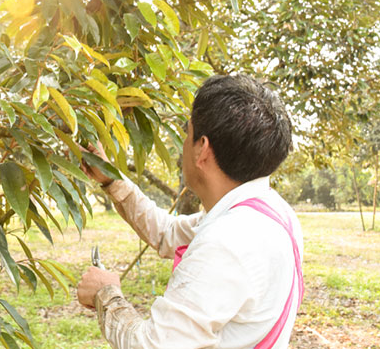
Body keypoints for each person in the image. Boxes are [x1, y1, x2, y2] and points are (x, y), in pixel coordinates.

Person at [77, 74, 303, 348]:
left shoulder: (227, 243)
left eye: (188, 133)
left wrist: (106, 295)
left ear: (202, 149)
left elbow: (152, 345)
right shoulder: (269, 213)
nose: (183, 143)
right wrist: (112, 179)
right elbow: (168, 233)